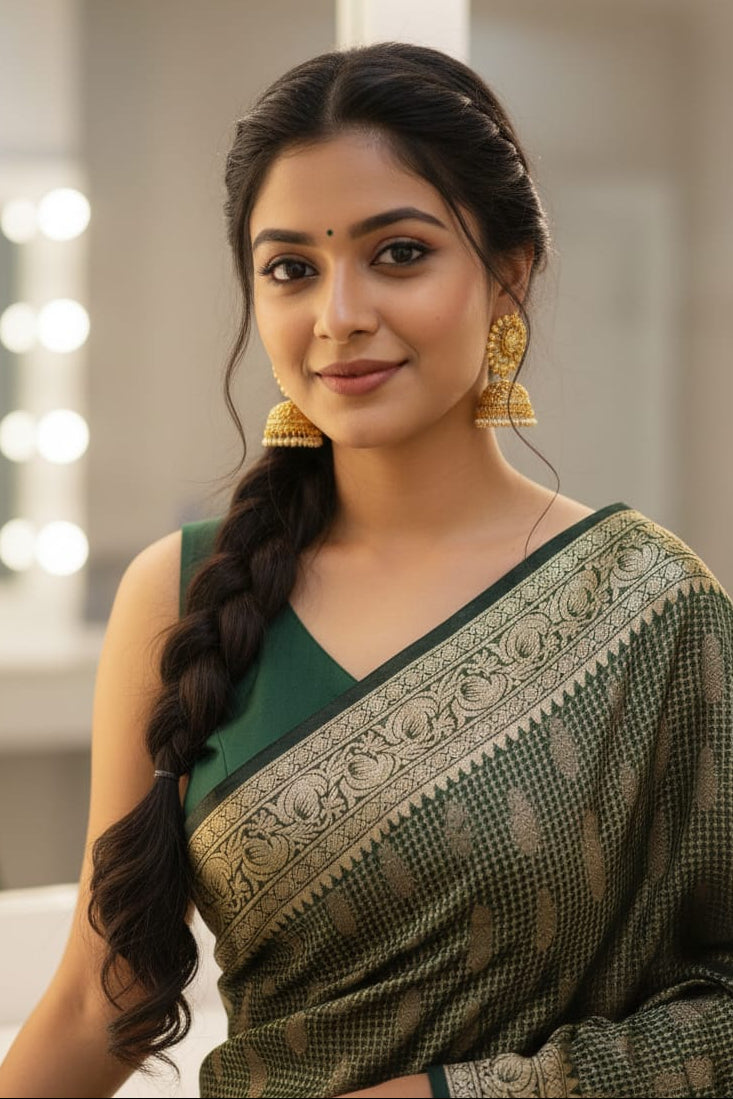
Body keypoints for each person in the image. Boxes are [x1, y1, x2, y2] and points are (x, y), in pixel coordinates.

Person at [1, 40, 731, 1099]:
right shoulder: (181, 594)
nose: (337, 313)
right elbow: (98, 998)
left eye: (398, 254)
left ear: (508, 273)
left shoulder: (648, 609)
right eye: (291, 267)